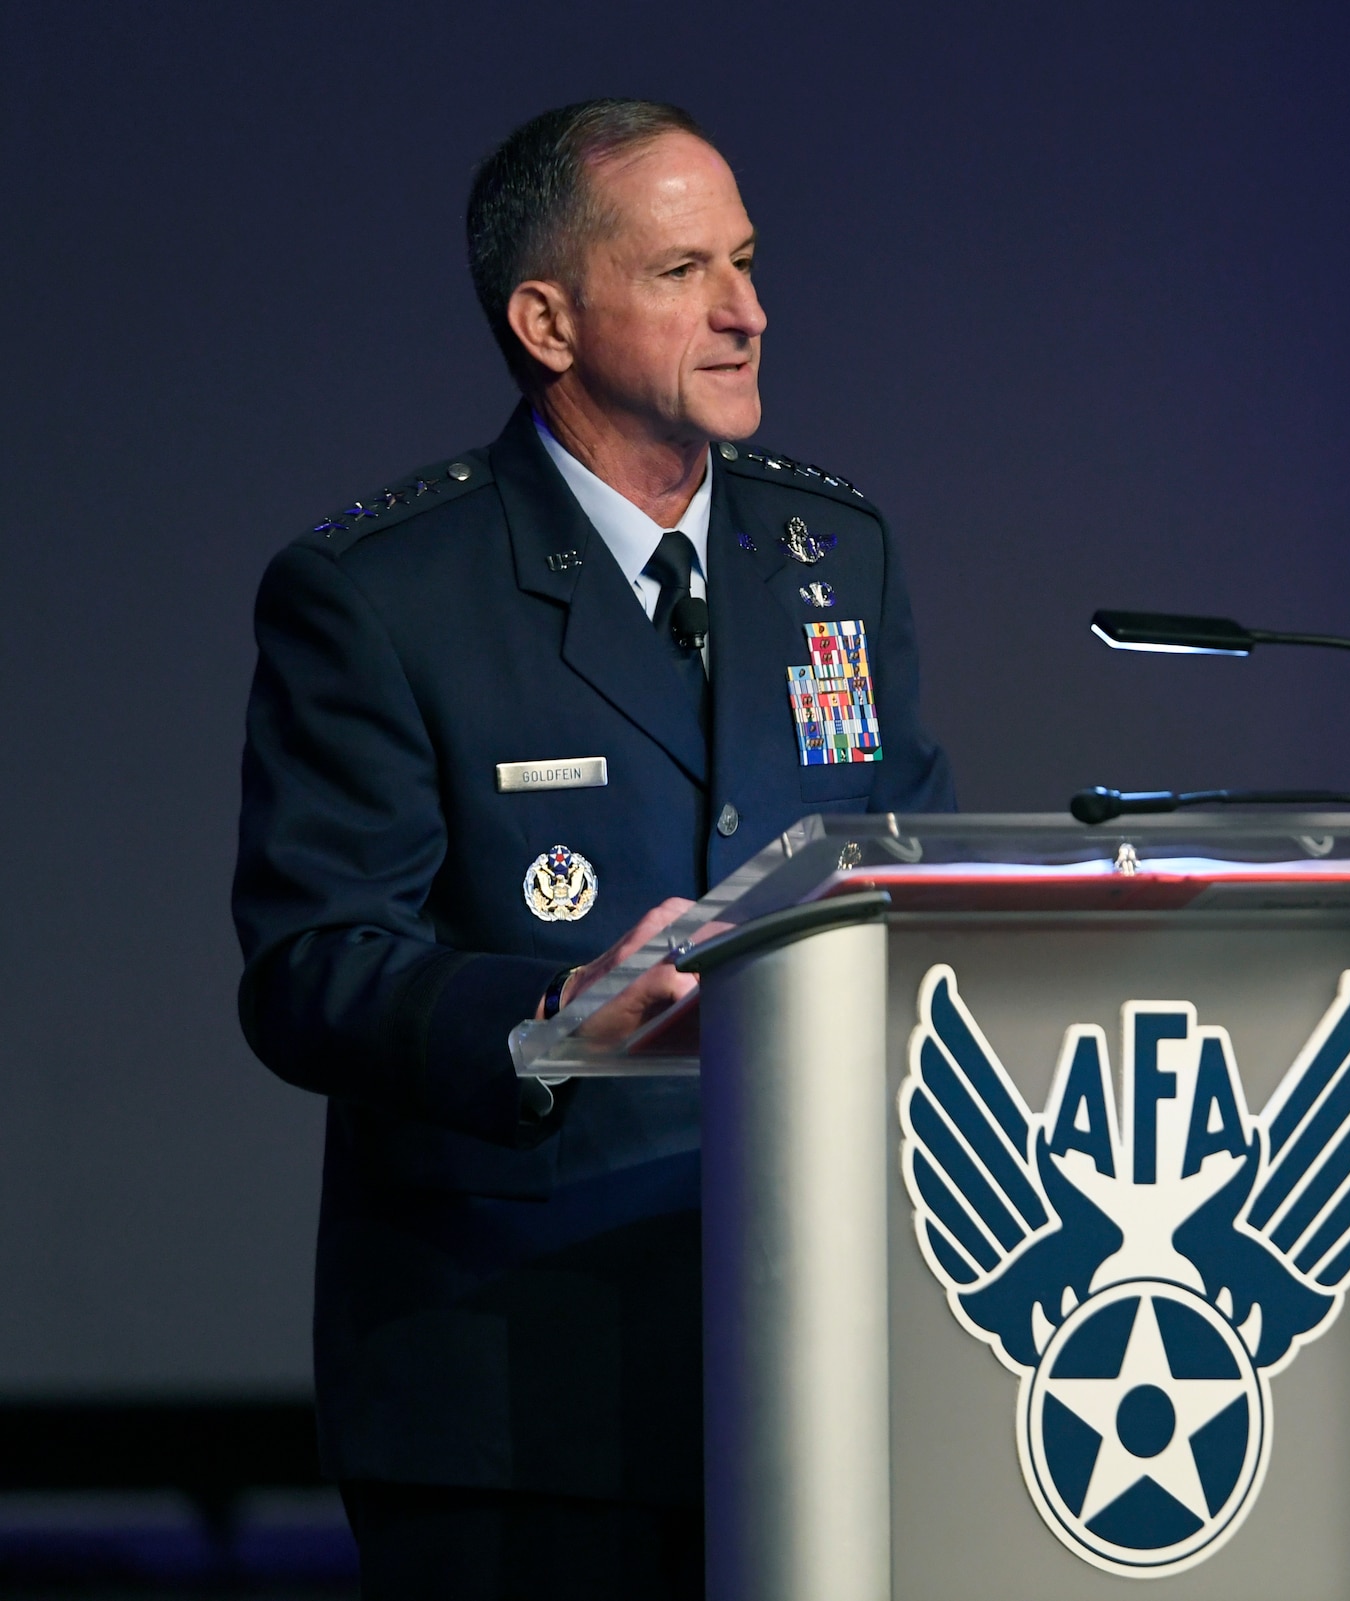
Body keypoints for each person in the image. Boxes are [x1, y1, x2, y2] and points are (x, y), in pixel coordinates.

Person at [232, 99, 954, 1598]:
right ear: (547, 318)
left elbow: (915, 867)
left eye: (748, 262)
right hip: (518, 1388)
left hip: (818, 1359)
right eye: (686, 272)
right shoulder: (384, 593)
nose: (750, 313)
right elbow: (310, 968)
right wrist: (553, 1023)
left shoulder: (838, 551)